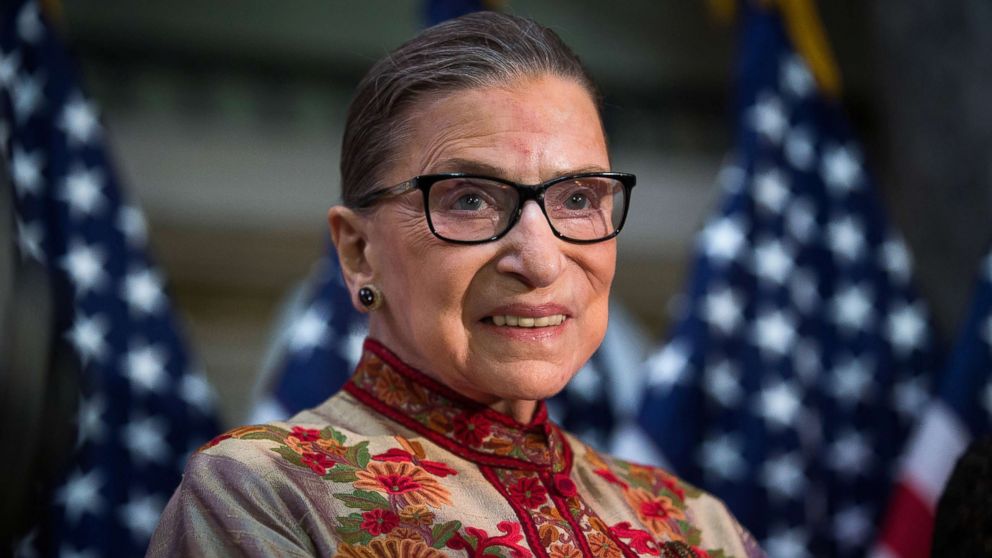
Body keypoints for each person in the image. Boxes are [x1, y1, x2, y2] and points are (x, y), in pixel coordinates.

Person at [149, 12, 764, 558]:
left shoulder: (697, 527)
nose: (541, 261)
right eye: (470, 199)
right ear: (359, 253)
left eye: (578, 198)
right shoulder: (264, 494)